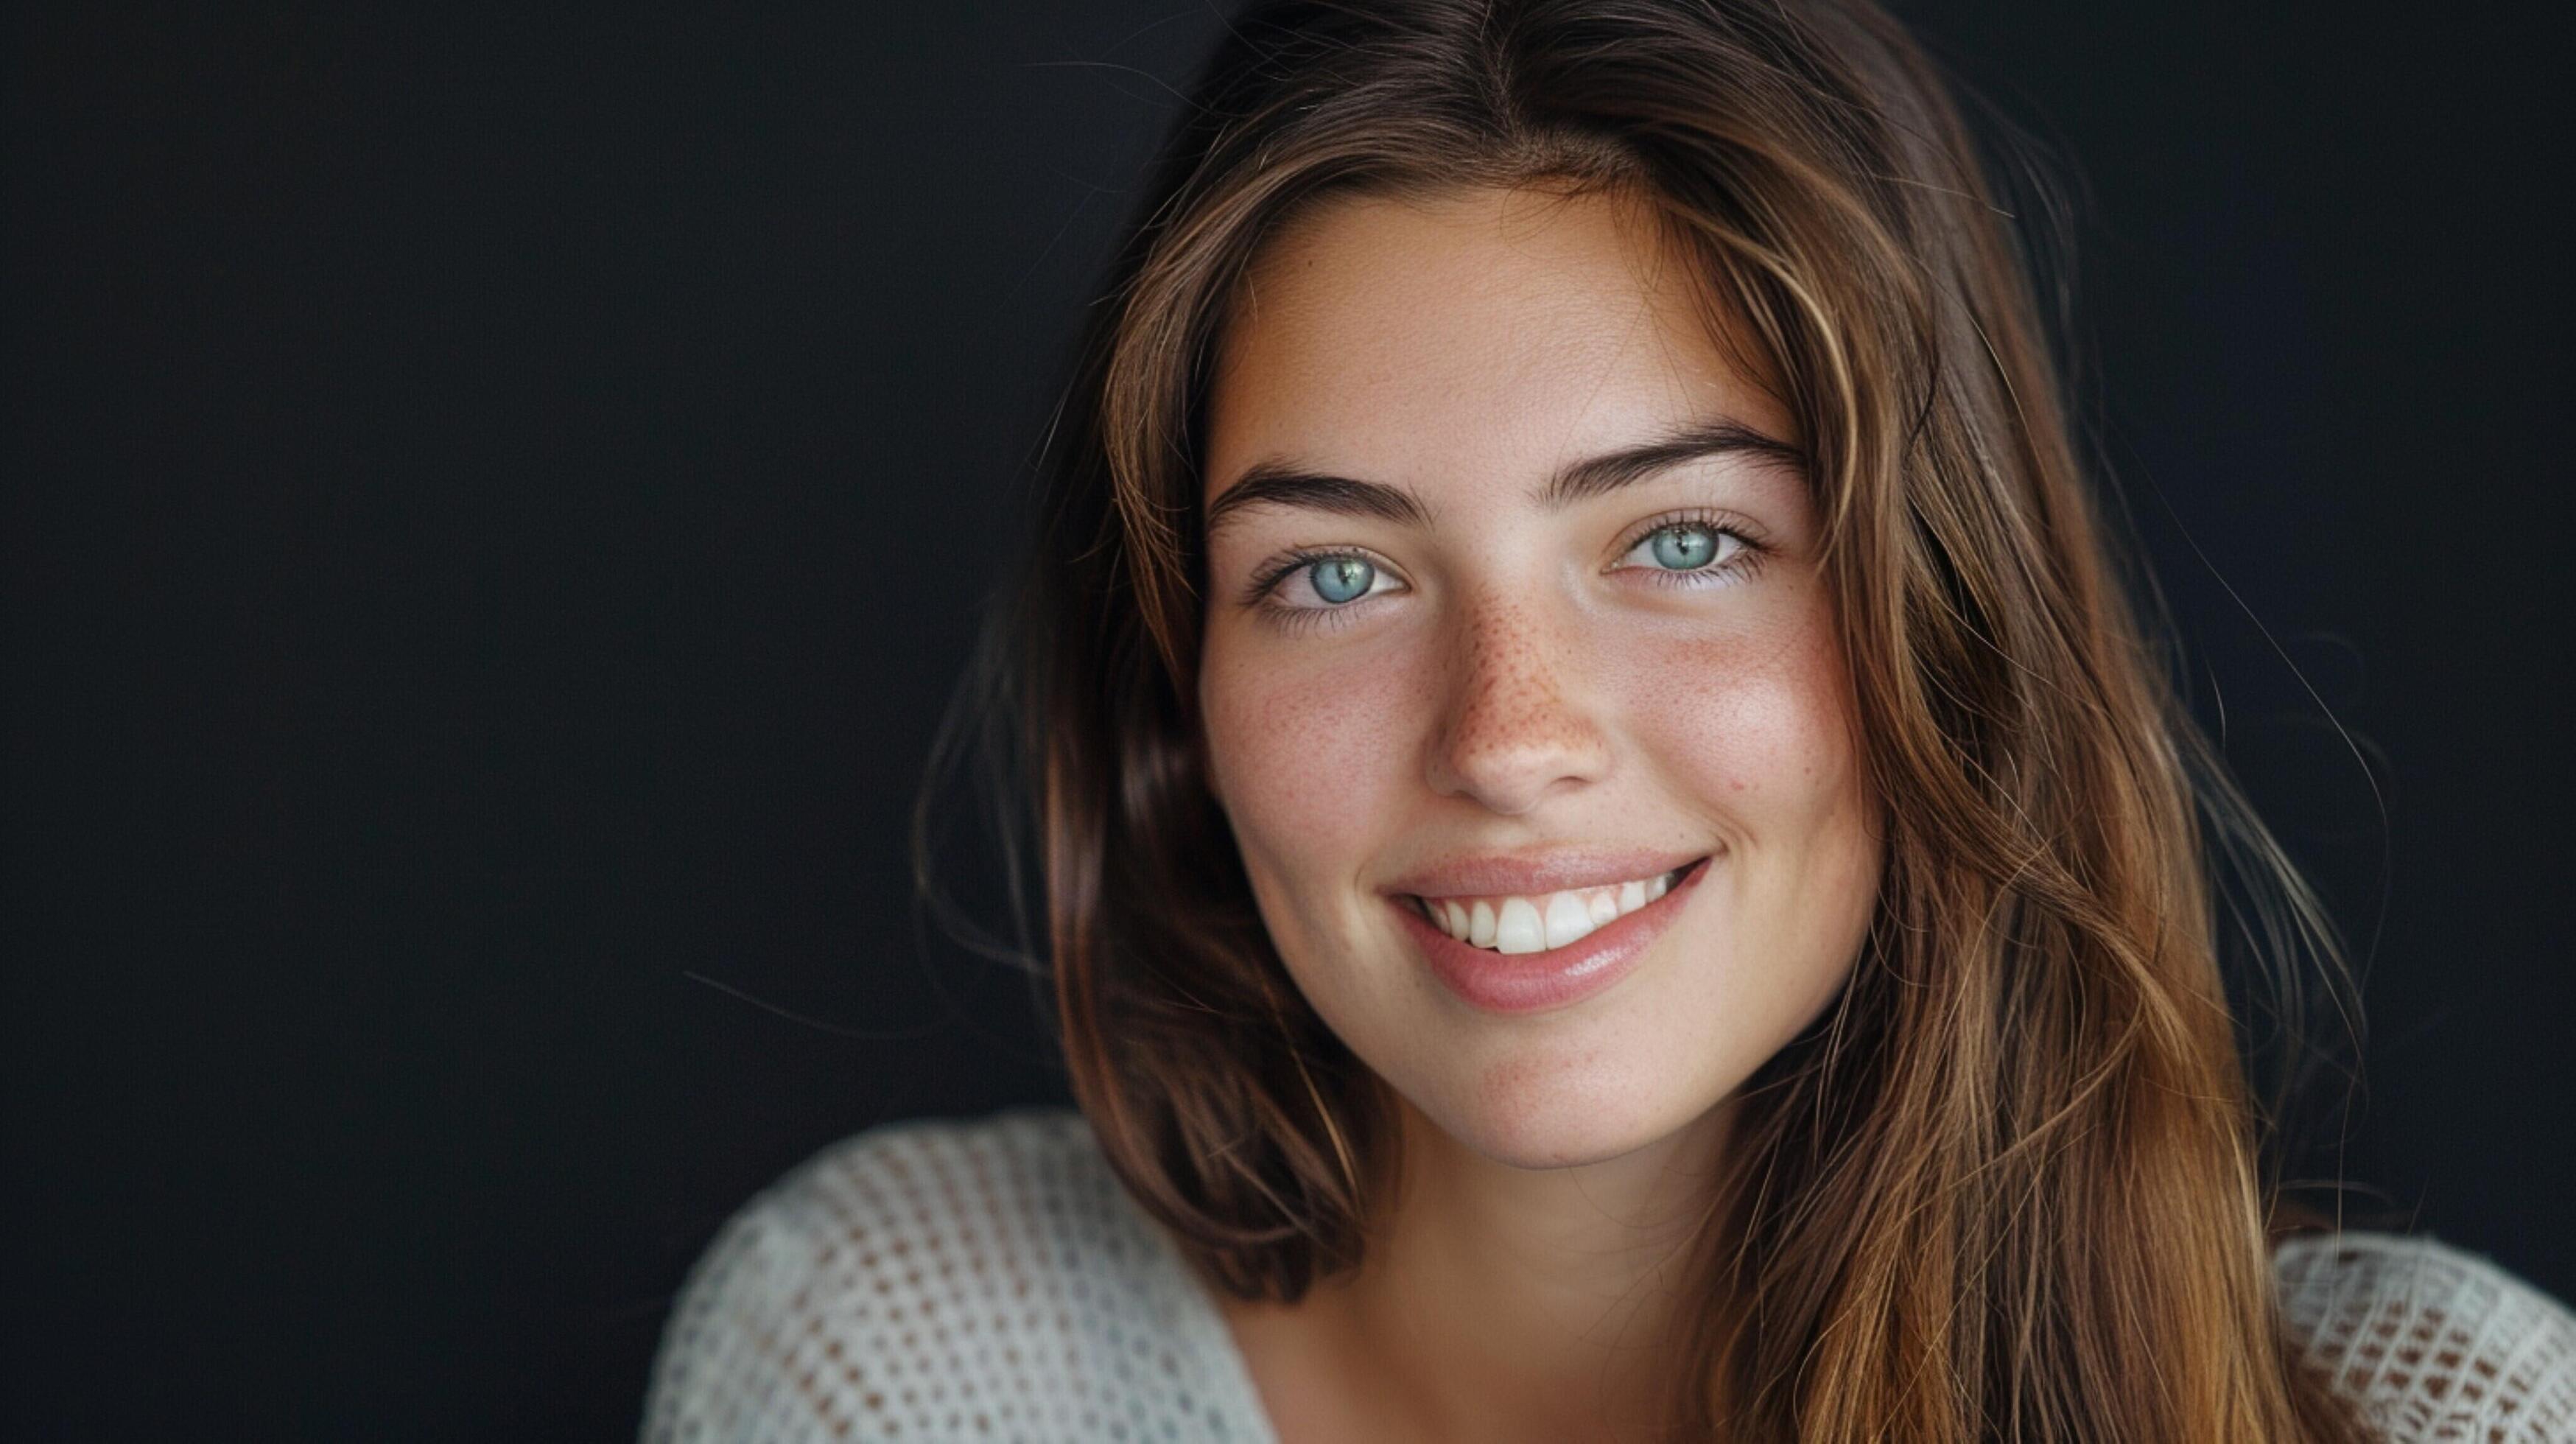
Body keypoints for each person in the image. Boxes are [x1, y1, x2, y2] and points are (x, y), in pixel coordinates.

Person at [640, 1, 2576, 1439]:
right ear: (1177, 694)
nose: (1506, 734)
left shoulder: (2442, 1416)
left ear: (1949, 621)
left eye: (1680, 537)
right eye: (1333, 574)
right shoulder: (898, 1365)